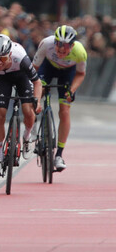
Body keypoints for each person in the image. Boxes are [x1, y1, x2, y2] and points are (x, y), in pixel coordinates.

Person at [0, 34, 42, 176]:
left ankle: (26, 138)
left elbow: (37, 82)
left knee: (28, 110)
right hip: (2, 79)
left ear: (10, 54)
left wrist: (37, 100)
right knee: (0, 114)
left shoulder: (20, 57)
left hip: (22, 77)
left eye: (2, 58)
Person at [32, 25, 87, 171]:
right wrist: (34, 92)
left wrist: (72, 90)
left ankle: (59, 155)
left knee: (64, 111)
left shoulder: (80, 52)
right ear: (54, 42)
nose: (61, 50)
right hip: (47, 68)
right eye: (59, 45)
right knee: (37, 94)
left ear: (73, 45)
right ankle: (33, 131)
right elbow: (34, 69)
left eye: (65, 47)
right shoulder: (46, 44)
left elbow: (81, 74)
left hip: (68, 73)